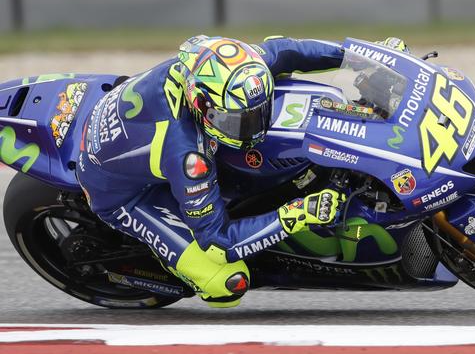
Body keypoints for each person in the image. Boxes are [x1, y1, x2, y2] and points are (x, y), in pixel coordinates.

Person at [76, 35, 407, 307]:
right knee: (227, 283)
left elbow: (291, 51)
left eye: (257, 113)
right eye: (236, 121)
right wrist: (299, 213)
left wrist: (364, 60)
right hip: (124, 195)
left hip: (129, 122)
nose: (252, 128)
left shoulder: (234, 65)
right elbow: (219, 242)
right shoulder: (188, 156)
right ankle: (168, 262)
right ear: (200, 103)